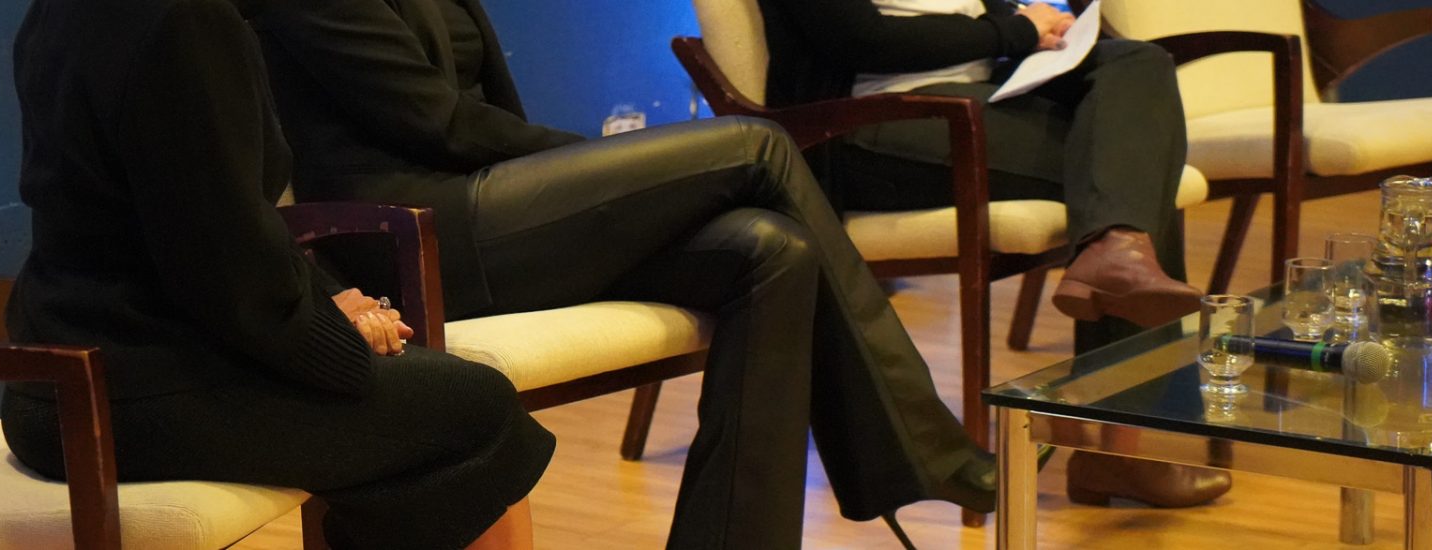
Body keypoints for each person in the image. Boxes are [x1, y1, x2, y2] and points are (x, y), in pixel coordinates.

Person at [251, 0, 1017, 546]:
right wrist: (594, 156)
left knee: (772, 250)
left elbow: (481, 110)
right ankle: (929, 452)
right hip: (413, 229)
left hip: (489, 207)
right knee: (756, 146)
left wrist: (589, 163)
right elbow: (434, 122)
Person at [0, 0, 553, 548]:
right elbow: (224, 266)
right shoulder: (184, 19)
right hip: (127, 392)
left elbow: (206, 233)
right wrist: (340, 345)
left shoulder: (59, 12)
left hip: (59, 382)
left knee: (425, 430)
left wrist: (327, 305)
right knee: (477, 408)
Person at [752, 0, 1230, 507]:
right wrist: (1015, 31)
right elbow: (863, 39)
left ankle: (1116, 273)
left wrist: (1045, 27)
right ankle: (1118, 450)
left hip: (986, 95)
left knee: (1139, 64)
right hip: (872, 121)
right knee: (1131, 159)